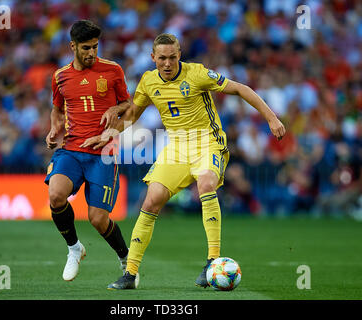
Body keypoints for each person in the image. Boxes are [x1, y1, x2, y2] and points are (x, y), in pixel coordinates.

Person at [82, 33, 285, 289]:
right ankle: (130, 274)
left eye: (173, 57)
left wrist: (271, 118)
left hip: (207, 142)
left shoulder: (197, 74)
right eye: (162, 58)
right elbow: (133, 114)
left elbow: (240, 88)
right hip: (176, 147)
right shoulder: (148, 81)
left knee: (206, 184)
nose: (167, 64)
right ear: (153, 58)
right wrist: (109, 134)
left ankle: (212, 261)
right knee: (151, 199)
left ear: (180, 56)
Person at [45, 20, 134, 282]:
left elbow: (129, 106)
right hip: (71, 149)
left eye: (95, 47)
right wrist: (53, 129)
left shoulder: (113, 70)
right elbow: (57, 108)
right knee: (56, 195)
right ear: (72, 46)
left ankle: (125, 257)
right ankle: (74, 249)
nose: (91, 53)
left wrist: (115, 109)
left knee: (97, 219)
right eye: (86, 48)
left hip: (103, 154)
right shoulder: (60, 76)